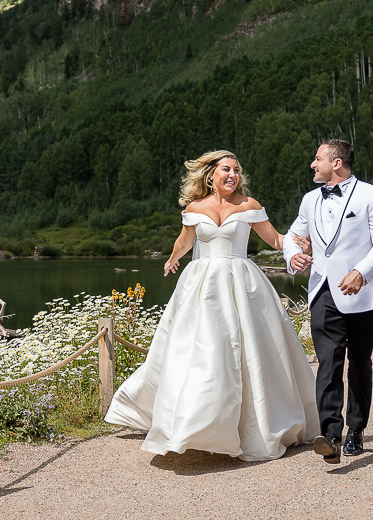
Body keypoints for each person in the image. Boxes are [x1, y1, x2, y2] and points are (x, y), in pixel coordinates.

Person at [105, 150, 320, 462]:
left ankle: (251, 425)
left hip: (242, 284)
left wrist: (299, 243)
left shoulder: (249, 205)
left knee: (249, 353)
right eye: (225, 169)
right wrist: (173, 257)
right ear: (210, 175)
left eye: (236, 170)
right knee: (201, 352)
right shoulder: (195, 207)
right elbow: (186, 240)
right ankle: (193, 423)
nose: (232, 175)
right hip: (201, 287)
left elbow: (274, 239)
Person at [283, 138, 373, 465]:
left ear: (336, 162)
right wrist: (294, 257)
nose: (312, 164)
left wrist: (362, 271)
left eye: (317, 158)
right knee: (328, 362)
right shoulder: (308, 201)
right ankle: (330, 435)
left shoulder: (371, 195)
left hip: (364, 294)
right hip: (323, 292)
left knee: (359, 363)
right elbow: (292, 238)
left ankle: (356, 429)